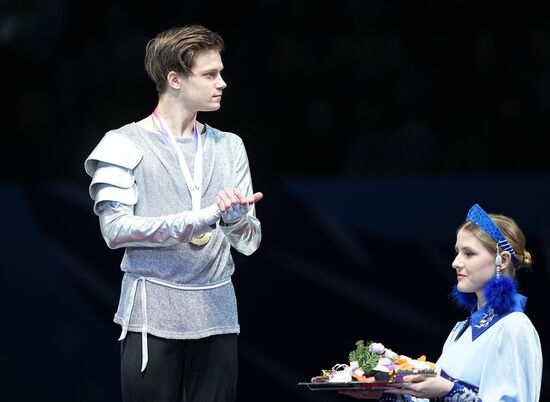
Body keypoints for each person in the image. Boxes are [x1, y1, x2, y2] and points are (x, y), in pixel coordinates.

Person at [84, 24, 263, 402]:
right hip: (152, 315)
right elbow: (115, 231)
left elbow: (249, 243)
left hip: (216, 311)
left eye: (221, 72)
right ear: (175, 79)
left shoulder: (229, 146)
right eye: (210, 74)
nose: (223, 83)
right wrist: (197, 218)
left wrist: (233, 220)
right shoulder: (122, 143)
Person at [340, 203, 542, 401]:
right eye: (457, 252)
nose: (456, 262)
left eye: (469, 253)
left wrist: (450, 391)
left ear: (503, 260)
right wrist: (388, 391)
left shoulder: (514, 327)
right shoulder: (460, 331)